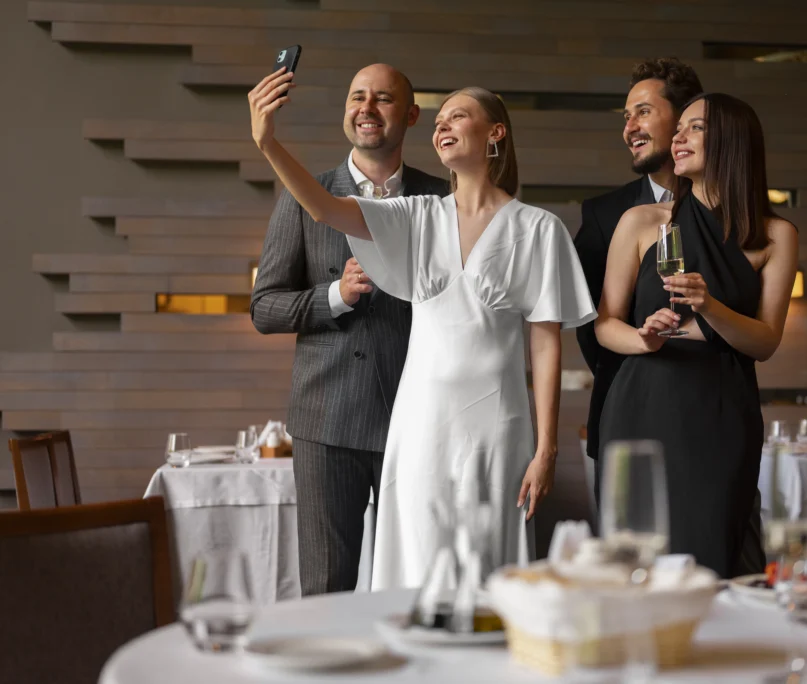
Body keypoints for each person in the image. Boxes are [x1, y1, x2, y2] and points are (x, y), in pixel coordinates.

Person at [248, 69, 597, 590]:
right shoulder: (416, 216)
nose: (442, 127)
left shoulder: (538, 228)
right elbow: (324, 208)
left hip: (497, 426)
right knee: (414, 565)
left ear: (495, 132)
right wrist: (268, 142)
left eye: (457, 115)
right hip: (418, 424)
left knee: (487, 570)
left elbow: (546, 345)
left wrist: (545, 449)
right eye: (438, 121)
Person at [250, 64, 448, 595]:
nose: (367, 108)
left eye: (382, 99)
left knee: (410, 587)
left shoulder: (442, 199)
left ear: (410, 115)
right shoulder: (303, 193)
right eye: (357, 96)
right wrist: (336, 296)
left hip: (414, 419)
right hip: (325, 422)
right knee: (324, 587)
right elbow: (264, 307)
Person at [595, 93, 799, 579]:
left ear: (731, 141)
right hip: (641, 405)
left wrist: (711, 308)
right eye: (679, 127)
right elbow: (605, 324)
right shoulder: (641, 223)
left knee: (715, 558)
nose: (678, 137)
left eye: (695, 128)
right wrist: (644, 340)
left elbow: (766, 341)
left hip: (721, 415)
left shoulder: (776, 236)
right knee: (636, 562)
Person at [573, 57, 702, 491]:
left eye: (643, 112)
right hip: (627, 412)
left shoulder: (732, 215)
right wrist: (634, 374)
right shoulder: (605, 215)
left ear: (686, 121)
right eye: (626, 117)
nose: (629, 127)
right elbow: (589, 323)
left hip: (712, 415)